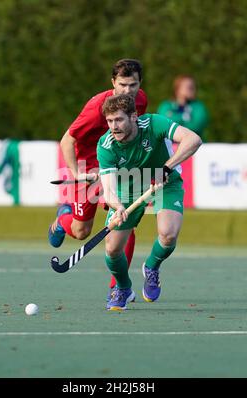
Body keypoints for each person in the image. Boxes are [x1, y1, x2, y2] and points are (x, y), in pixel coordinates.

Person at [48, 59, 148, 296]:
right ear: (113, 82)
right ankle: (62, 220)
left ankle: (119, 288)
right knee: (81, 230)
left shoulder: (141, 101)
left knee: (124, 219)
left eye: (133, 85)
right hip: (89, 167)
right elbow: (67, 141)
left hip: (118, 165)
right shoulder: (97, 108)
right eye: (122, 84)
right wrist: (77, 174)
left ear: (139, 83)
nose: (128, 91)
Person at [97, 94, 202, 311]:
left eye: (119, 120)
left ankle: (152, 266)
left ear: (134, 117)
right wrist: (117, 207)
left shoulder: (154, 123)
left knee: (168, 234)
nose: (113, 127)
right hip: (129, 187)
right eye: (109, 121)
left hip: (166, 182)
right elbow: (108, 189)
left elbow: (193, 139)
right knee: (112, 249)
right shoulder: (106, 145)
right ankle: (124, 288)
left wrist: (166, 167)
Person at [157, 75, 209, 141]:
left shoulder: (198, 106)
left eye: (193, 87)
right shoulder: (166, 106)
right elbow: (164, 125)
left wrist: (175, 122)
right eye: (189, 88)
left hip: (194, 145)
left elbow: (197, 126)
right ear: (177, 89)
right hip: (170, 146)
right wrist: (185, 119)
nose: (193, 90)